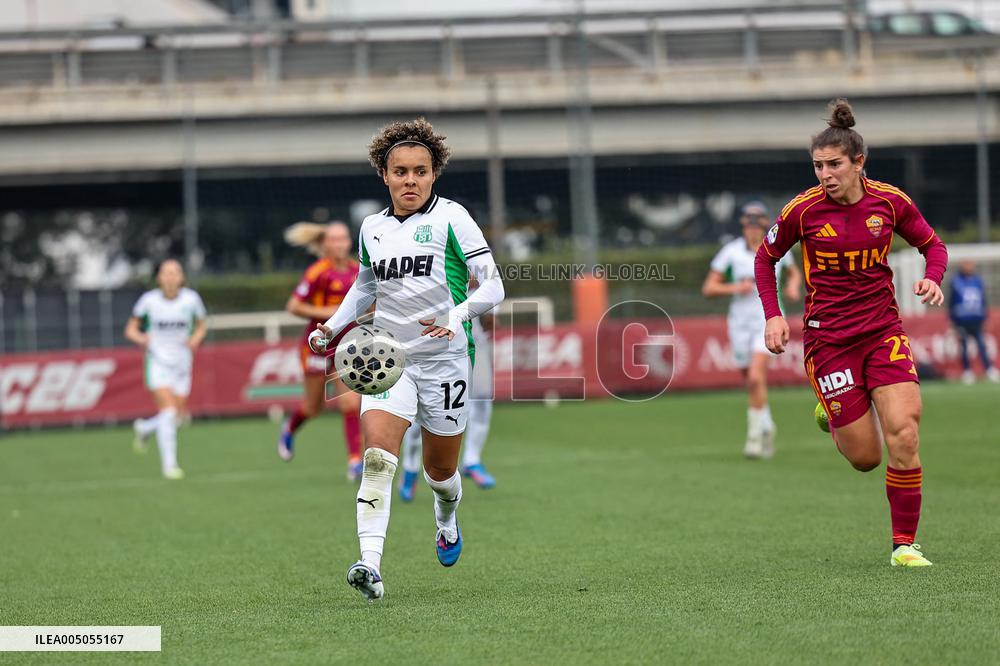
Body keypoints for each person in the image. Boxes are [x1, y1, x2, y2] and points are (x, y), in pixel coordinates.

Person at [308, 118, 504, 600]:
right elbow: (365, 286)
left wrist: (457, 316)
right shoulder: (372, 228)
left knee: (441, 474)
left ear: (434, 173)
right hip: (389, 361)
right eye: (401, 172)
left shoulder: (453, 218)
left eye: (420, 171)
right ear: (385, 175)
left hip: (447, 360)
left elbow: (494, 285)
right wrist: (332, 329)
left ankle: (447, 518)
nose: (410, 180)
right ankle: (369, 564)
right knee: (378, 459)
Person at [755, 98, 948, 568]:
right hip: (829, 341)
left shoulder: (891, 201)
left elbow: (932, 245)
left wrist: (933, 278)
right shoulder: (803, 211)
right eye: (818, 165)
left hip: (883, 331)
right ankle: (831, 409)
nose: (824, 173)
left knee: (904, 432)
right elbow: (765, 258)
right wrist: (773, 314)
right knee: (866, 458)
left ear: (859, 162)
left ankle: (904, 544)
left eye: (834, 164)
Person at [703, 201, 801, 459]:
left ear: (764, 226)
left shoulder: (776, 247)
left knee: (757, 378)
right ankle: (767, 426)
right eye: (748, 225)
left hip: (767, 321)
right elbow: (709, 287)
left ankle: (754, 438)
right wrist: (736, 288)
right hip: (739, 323)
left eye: (757, 225)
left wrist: (792, 287)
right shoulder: (731, 252)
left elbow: (793, 273)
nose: (753, 230)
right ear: (743, 226)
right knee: (750, 381)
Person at [277, 221, 364, 481]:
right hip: (317, 346)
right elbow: (293, 306)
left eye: (343, 239)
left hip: (346, 346)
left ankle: (354, 461)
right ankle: (289, 429)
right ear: (325, 244)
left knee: (351, 403)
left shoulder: (357, 270)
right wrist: (328, 314)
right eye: (334, 240)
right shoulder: (318, 272)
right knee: (313, 407)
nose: (339, 244)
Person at [398, 311, 497, 501]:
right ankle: (410, 468)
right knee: (422, 411)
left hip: (471, 338)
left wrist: (491, 313)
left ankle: (472, 460)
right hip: (430, 342)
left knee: (482, 398)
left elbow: (491, 291)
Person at [125, 259, 207, 480]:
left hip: (182, 364)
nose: (170, 277)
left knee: (176, 418)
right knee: (169, 413)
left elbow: (201, 326)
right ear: (159, 278)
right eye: (165, 273)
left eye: (175, 273)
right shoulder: (148, 301)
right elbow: (130, 330)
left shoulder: (191, 300)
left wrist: (196, 339)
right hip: (158, 363)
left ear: (181, 278)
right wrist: (142, 338)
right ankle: (169, 466)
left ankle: (144, 428)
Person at [949, 259, 999, 384]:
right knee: (964, 347)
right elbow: (951, 302)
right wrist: (952, 321)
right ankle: (967, 371)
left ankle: (989, 369)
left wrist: (986, 317)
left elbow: (983, 300)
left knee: (982, 345)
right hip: (962, 320)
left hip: (977, 319)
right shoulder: (955, 281)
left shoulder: (978, 281)